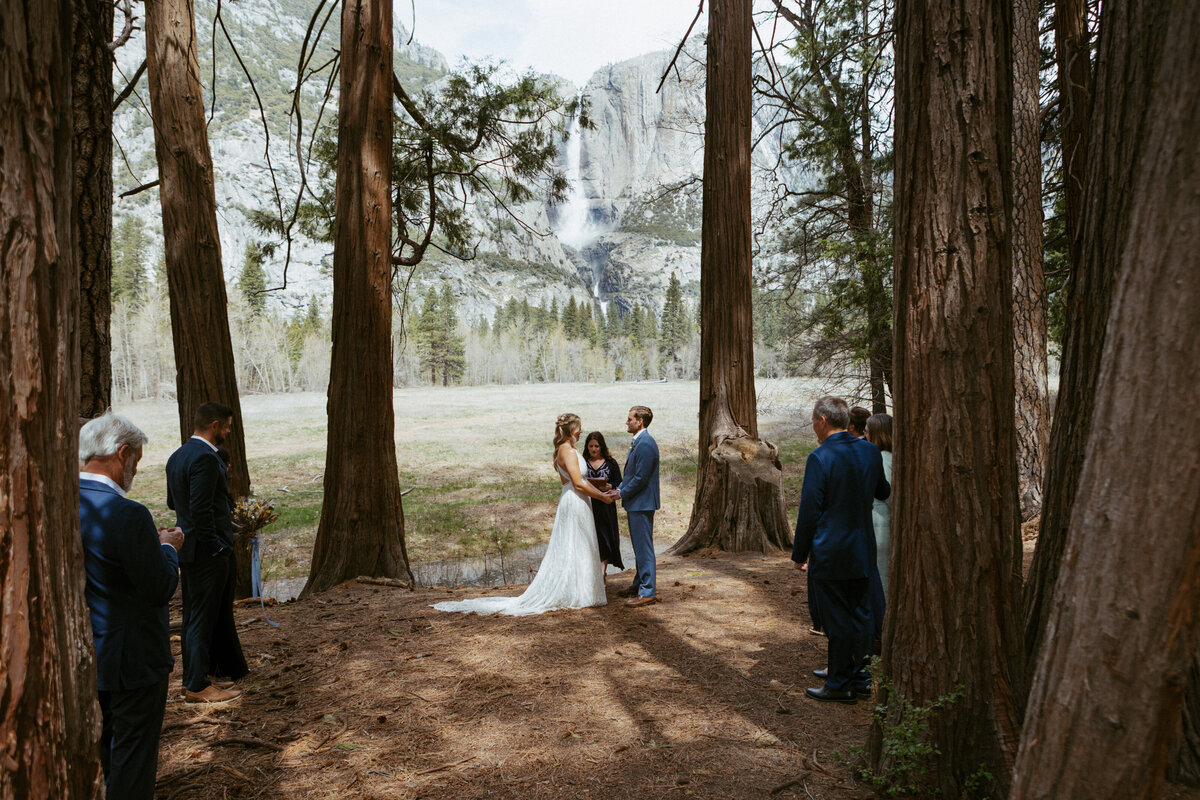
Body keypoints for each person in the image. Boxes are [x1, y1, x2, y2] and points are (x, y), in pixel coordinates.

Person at [79, 413, 184, 799]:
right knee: (133, 762)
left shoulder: (61, 503)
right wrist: (167, 548)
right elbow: (158, 587)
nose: (134, 472)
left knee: (100, 754)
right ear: (122, 454)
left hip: (86, 652)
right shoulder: (127, 513)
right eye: (136, 462)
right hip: (134, 659)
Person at [434, 413, 614, 615]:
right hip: (575, 501)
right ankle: (577, 592)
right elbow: (579, 484)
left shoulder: (566, 450)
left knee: (579, 544)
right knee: (575, 544)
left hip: (577, 500)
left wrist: (601, 490)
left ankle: (581, 589)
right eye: (579, 428)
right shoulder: (568, 452)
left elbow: (580, 481)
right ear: (572, 430)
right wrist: (602, 497)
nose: (581, 431)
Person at [792, 396, 890, 704]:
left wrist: (800, 553)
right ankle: (861, 677)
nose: (813, 427)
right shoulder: (870, 451)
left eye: (813, 422)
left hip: (831, 548)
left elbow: (809, 511)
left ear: (822, 421)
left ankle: (839, 682)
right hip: (862, 545)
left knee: (835, 617)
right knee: (861, 613)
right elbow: (883, 491)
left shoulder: (820, 457)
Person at [166, 401, 247, 703]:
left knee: (195, 617)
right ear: (214, 426)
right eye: (226, 425)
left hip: (189, 548)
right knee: (201, 618)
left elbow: (174, 503)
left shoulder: (177, 457)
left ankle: (194, 679)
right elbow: (201, 510)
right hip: (206, 552)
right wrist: (216, 546)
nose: (227, 431)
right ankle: (197, 685)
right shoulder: (206, 458)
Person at [608, 405, 660, 608]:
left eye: (629, 419)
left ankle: (648, 592)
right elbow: (631, 475)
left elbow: (640, 478)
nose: (626, 422)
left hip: (642, 503)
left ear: (640, 422)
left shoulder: (646, 443)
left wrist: (621, 493)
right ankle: (639, 584)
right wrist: (618, 488)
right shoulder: (639, 441)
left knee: (644, 548)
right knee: (639, 548)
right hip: (637, 502)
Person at [584, 431, 625, 577]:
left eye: (597, 446)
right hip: (588, 504)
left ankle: (602, 572)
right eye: (591, 446)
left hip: (606, 506)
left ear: (602, 446)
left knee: (605, 537)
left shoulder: (611, 463)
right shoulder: (583, 462)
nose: (594, 449)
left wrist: (610, 486)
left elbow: (619, 481)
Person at [866, 413, 894, 631]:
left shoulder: (883, 459)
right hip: (878, 524)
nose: (864, 434)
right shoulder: (886, 457)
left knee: (882, 580)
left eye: (867, 431)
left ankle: (882, 630)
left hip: (881, 526)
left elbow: (889, 494)